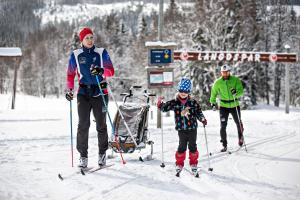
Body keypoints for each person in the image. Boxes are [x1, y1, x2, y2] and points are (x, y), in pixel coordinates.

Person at [65, 27, 114, 168]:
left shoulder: (101, 52)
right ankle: (83, 156)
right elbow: (70, 74)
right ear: (81, 40)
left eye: (91, 37)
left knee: (101, 124)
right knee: (83, 125)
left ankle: (102, 153)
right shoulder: (76, 54)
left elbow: (111, 71)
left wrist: (101, 70)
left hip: (99, 92)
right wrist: (69, 90)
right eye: (87, 38)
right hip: (83, 93)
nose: (90, 40)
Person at [157, 78, 207, 174]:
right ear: (178, 90)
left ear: (189, 92)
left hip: (192, 128)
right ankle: (179, 163)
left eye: (186, 91)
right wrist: (160, 104)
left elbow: (198, 112)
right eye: (181, 91)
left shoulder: (193, 102)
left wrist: (202, 119)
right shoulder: (175, 102)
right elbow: (164, 108)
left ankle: (193, 163)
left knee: (193, 146)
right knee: (182, 146)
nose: (183, 93)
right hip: (181, 129)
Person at [210, 64, 244, 152]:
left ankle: (240, 137)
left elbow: (241, 91)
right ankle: (224, 144)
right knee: (223, 125)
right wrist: (213, 103)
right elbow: (213, 93)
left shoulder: (235, 80)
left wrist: (236, 93)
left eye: (226, 72)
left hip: (234, 105)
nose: (224, 74)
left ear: (229, 72)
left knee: (238, 122)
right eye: (223, 72)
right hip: (223, 106)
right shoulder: (218, 82)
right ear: (221, 73)